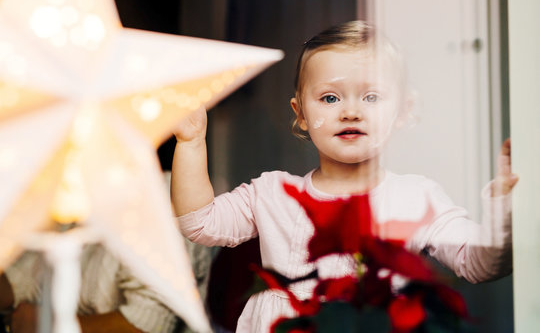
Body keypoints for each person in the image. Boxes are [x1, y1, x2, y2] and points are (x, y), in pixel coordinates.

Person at [170, 20, 517, 332]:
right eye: (330, 97)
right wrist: (191, 142)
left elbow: (481, 265)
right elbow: (199, 223)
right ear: (301, 113)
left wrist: (504, 204)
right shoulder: (273, 193)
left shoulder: (416, 197)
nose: (351, 111)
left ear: (402, 112)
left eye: (371, 96)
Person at [0, 243, 177, 333]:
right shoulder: (79, 203)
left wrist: (52, 324)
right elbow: (28, 275)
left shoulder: (162, 204)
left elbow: (149, 327)